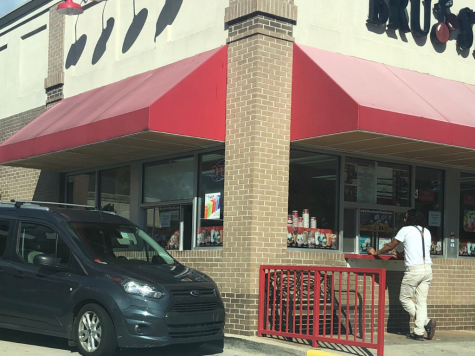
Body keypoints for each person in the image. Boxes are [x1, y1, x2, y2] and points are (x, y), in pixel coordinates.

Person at [367, 209, 436, 341]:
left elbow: (390, 245)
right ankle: (419, 332)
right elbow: (416, 248)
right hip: (428, 269)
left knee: (404, 299)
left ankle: (426, 322)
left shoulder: (405, 230)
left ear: (411, 219)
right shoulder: (426, 231)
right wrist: (400, 255)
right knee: (422, 301)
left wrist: (376, 253)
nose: (404, 220)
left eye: (406, 217)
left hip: (414, 270)